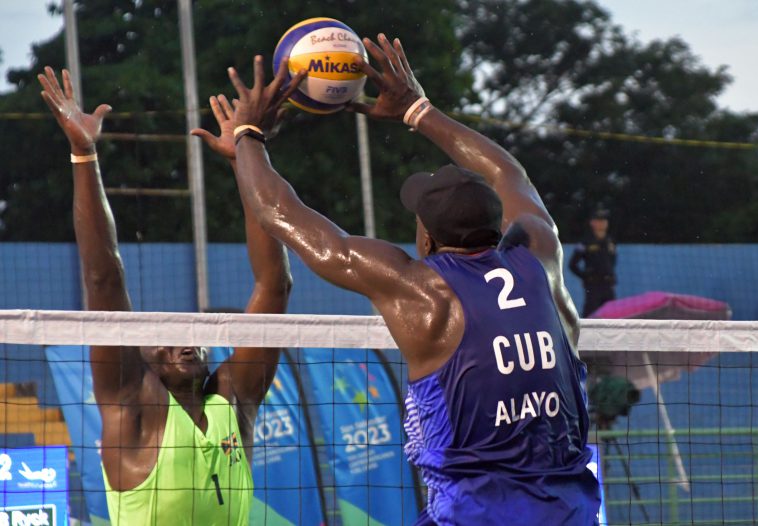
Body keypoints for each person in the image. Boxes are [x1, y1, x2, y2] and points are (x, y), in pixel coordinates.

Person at [226, 33, 601, 526]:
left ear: (426, 239)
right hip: (572, 511)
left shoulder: (425, 293)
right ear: (500, 223)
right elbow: (510, 173)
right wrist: (419, 110)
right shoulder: (539, 253)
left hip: (473, 515)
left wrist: (247, 135)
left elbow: (281, 213)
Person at [38, 66, 301, 525]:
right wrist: (84, 153)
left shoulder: (234, 400)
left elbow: (274, 285)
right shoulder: (130, 406)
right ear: (139, 352)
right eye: (164, 335)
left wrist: (247, 155)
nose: (184, 341)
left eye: (190, 332)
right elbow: (104, 277)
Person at [568, 208, 617, 317]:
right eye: (598, 220)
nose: (602, 223)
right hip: (593, 285)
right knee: (590, 315)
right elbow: (572, 265)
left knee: (613, 315)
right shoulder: (585, 242)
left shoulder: (610, 240)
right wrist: (585, 276)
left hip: (608, 284)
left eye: (604, 220)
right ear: (592, 222)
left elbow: (612, 261)